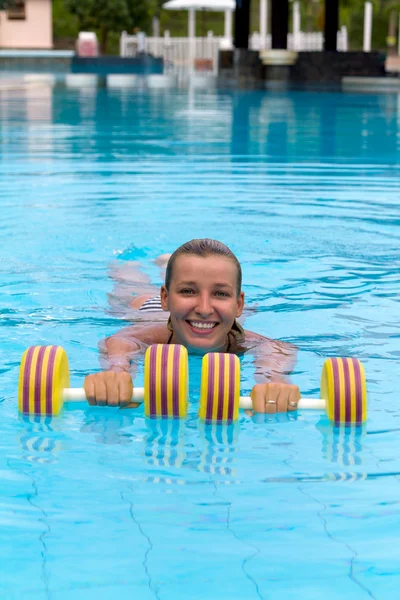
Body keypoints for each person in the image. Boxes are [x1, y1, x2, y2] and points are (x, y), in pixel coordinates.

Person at [84, 239, 300, 415]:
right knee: (129, 283)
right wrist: (117, 372)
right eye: (188, 291)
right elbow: (120, 343)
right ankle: (130, 265)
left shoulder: (247, 341)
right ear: (166, 297)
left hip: (208, 318)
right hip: (147, 309)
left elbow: (278, 349)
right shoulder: (148, 335)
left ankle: (167, 267)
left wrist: (275, 380)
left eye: (220, 293)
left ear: (239, 304)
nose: (204, 308)